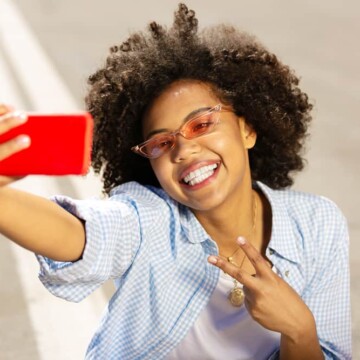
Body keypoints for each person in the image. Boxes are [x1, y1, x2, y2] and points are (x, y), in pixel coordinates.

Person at [0, 3, 351, 359]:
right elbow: (83, 234)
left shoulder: (317, 224)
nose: (183, 150)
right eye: (161, 143)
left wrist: (299, 329)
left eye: (201, 125)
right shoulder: (149, 218)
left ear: (248, 128)